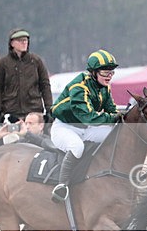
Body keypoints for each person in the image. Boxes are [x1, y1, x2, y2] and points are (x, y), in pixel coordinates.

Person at [49, 49, 120, 203]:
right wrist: (114, 117)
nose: (109, 76)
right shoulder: (79, 86)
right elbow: (88, 117)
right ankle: (62, 185)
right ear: (93, 72)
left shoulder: (104, 86)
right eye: (105, 72)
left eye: (111, 72)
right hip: (65, 128)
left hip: (85, 129)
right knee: (77, 147)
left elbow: (112, 110)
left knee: (115, 134)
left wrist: (121, 117)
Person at [0, 28, 52, 124]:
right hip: (11, 114)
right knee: (12, 138)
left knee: (35, 138)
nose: (24, 43)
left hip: (34, 112)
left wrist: (49, 109)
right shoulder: (3, 63)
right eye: (20, 40)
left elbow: (45, 86)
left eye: (26, 40)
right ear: (12, 44)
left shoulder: (36, 61)